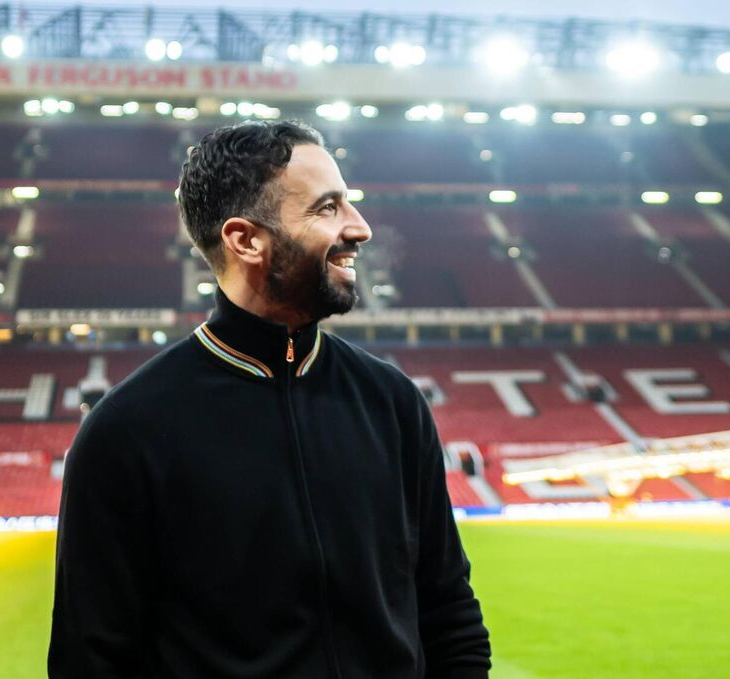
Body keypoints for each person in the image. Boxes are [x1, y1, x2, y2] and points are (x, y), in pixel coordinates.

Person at [48, 120, 491, 678]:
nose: (361, 228)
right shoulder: (128, 431)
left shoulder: (392, 403)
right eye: (327, 208)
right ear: (246, 240)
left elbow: (448, 609)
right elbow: (91, 660)